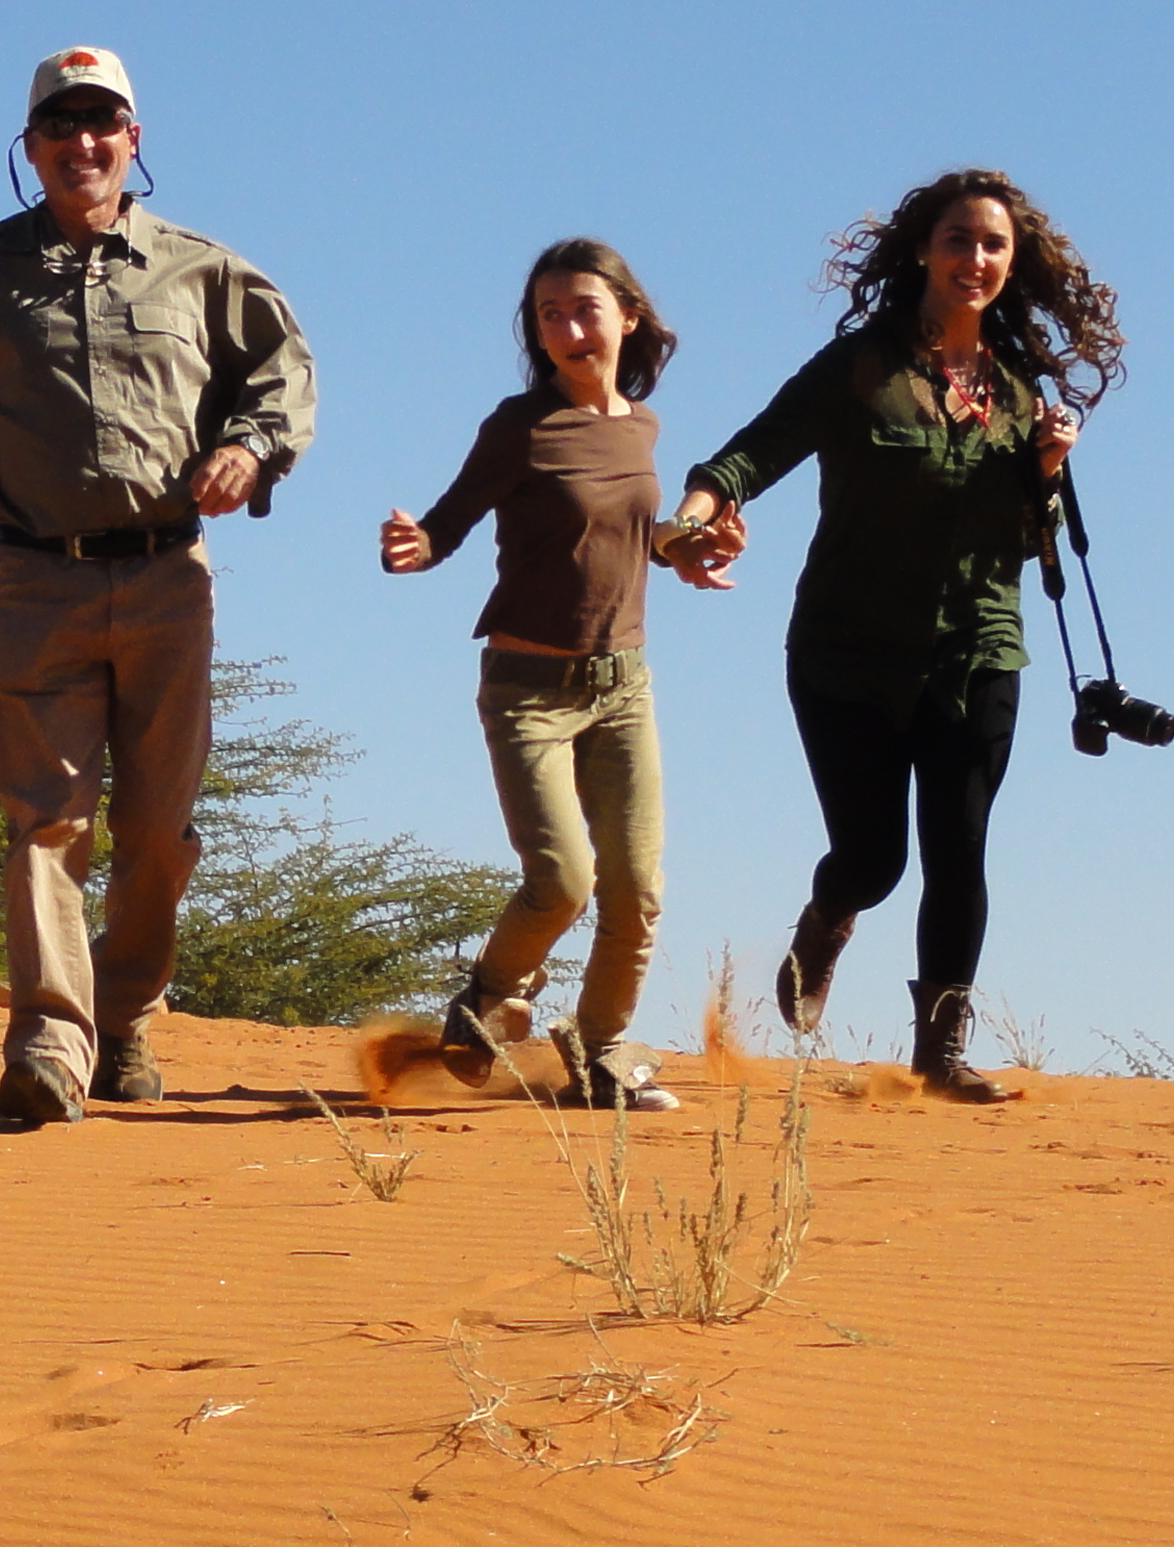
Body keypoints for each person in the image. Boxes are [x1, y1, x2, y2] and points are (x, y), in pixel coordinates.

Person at [0, 46, 316, 1125]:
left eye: (99, 122)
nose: (80, 143)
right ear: (29, 149)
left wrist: (249, 451)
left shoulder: (198, 269)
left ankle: (125, 1012)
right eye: (58, 126)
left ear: (133, 140)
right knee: (45, 823)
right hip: (34, 581)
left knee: (156, 836)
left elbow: (280, 370)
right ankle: (49, 1044)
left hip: (165, 579)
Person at [666, 168, 1123, 1103]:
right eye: (960, 240)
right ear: (923, 248)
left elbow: (1033, 539)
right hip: (848, 652)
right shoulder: (862, 369)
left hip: (979, 650)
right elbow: (750, 452)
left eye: (994, 245)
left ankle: (940, 1052)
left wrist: (1046, 466)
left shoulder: (1020, 390)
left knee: (960, 849)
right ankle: (826, 920)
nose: (977, 259)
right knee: (875, 859)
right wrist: (692, 515)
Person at [380, 240, 727, 1111]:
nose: (568, 330)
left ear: (628, 317)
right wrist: (410, 548)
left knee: (638, 888)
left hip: (624, 685)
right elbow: (444, 526)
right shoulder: (518, 426)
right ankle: (486, 999)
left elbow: (639, 534)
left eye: (584, 310)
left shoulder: (642, 426)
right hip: (528, 690)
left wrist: (692, 548)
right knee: (563, 878)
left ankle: (601, 1053)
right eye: (549, 316)